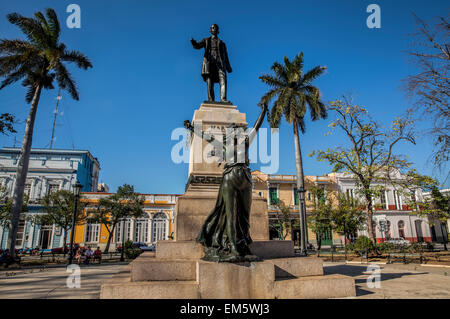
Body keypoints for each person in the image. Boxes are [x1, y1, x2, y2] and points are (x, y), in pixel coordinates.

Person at [184, 103, 268, 262]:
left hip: (245, 178)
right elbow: (206, 136)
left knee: (244, 216)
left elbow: (256, 127)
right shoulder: (223, 146)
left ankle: (243, 244)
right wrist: (192, 127)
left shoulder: (245, 144)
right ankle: (234, 248)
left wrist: (263, 111)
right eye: (233, 130)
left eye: (237, 130)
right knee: (230, 214)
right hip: (230, 177)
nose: (236, 132)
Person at [190, 24, 232, 103]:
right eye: (212, 28)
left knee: (223, 80)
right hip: (210, 63)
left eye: (215, 28)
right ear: (210, 30)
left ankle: (223, 99)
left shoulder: (222, 43)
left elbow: (225, 56)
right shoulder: (206, 40)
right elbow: (198, 46)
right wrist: (193, 43)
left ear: (217, 30)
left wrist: (228, 67)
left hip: (220, 63)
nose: (213, 29)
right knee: (210, 81)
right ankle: (211, 100)